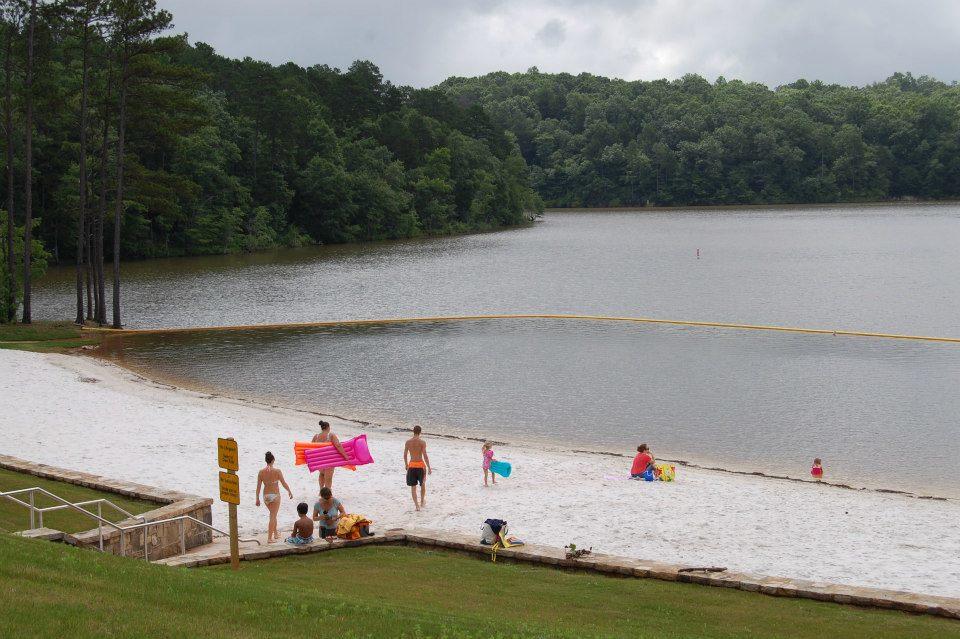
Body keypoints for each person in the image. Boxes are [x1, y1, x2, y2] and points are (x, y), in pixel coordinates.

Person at [255, 451, 293, 543]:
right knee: (272, 516)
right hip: (275, 495)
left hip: (266, 496)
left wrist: (257, 498)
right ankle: (269, 538)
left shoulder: (261, 472)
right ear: (273, 460)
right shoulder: (277, 471)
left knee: (273, 514)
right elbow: (283, 483)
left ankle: (275, 533)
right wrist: (289, 491)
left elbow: (258, 487)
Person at [312, 420, 348, 490]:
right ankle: (327, 494)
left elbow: (311, 447)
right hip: (329, 460)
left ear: (321, 428)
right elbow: (338, 445)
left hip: (318, 460)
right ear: (328, 427)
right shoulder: (331, 435)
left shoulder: (316, 436)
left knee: (322, 474)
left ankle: (321, 491)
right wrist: (345, 455)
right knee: (328, 478)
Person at [403, 425, 431, 511]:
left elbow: (405, 455)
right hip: (420, 466)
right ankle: (422, 501)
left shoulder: (408, 442)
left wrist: (406, 464)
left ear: (413, 431)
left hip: (411, 466)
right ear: (420, 432)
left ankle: (417, 506)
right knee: (422, 484)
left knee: (413, 486)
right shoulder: (422, 442)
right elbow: (425, 455)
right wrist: (429, 467)